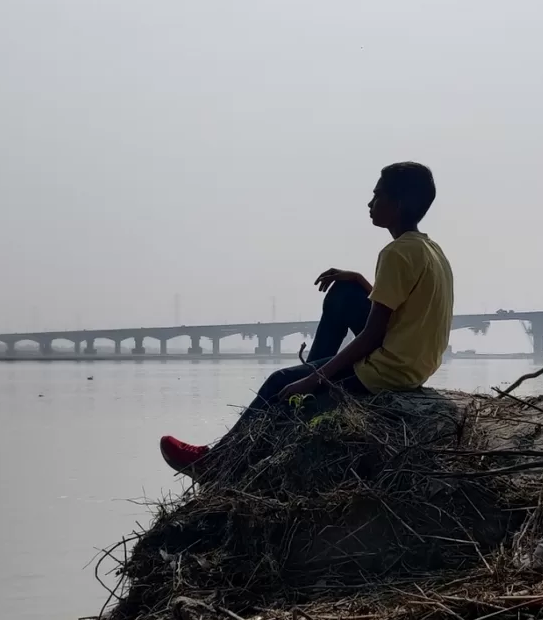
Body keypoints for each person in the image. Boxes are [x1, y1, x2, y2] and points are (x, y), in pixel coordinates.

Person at [160, 161, 453, 473]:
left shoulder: (395, 253)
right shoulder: (428, 249)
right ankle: (312, 372)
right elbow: (404, 308)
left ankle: (215, 464)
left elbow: (373, 335)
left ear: (399, 204)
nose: (370, 203)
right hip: (415, 363)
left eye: (377, 196)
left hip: (390, 371)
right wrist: (359, 280)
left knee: (278, 383)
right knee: (343, 293)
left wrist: (314, 379)